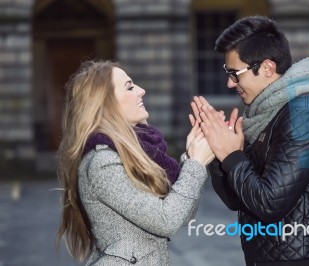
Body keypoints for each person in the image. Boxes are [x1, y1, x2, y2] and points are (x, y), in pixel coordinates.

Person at [191, 15, 309, 266]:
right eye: (226, 73)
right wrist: (218, 152)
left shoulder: (305, 114)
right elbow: (236, 200)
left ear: (267, 68)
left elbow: (269, 204)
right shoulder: (267, 114)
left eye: (234, 73)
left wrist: (231, 156)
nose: (230, 83)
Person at [56, 60, 214, 266]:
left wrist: (192, 157)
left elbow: (182, 215)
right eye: (130, 87)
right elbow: (167, 221)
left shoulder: (135, 152)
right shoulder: (102, 163)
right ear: (105, 103)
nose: (142, 91)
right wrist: (196, 165)